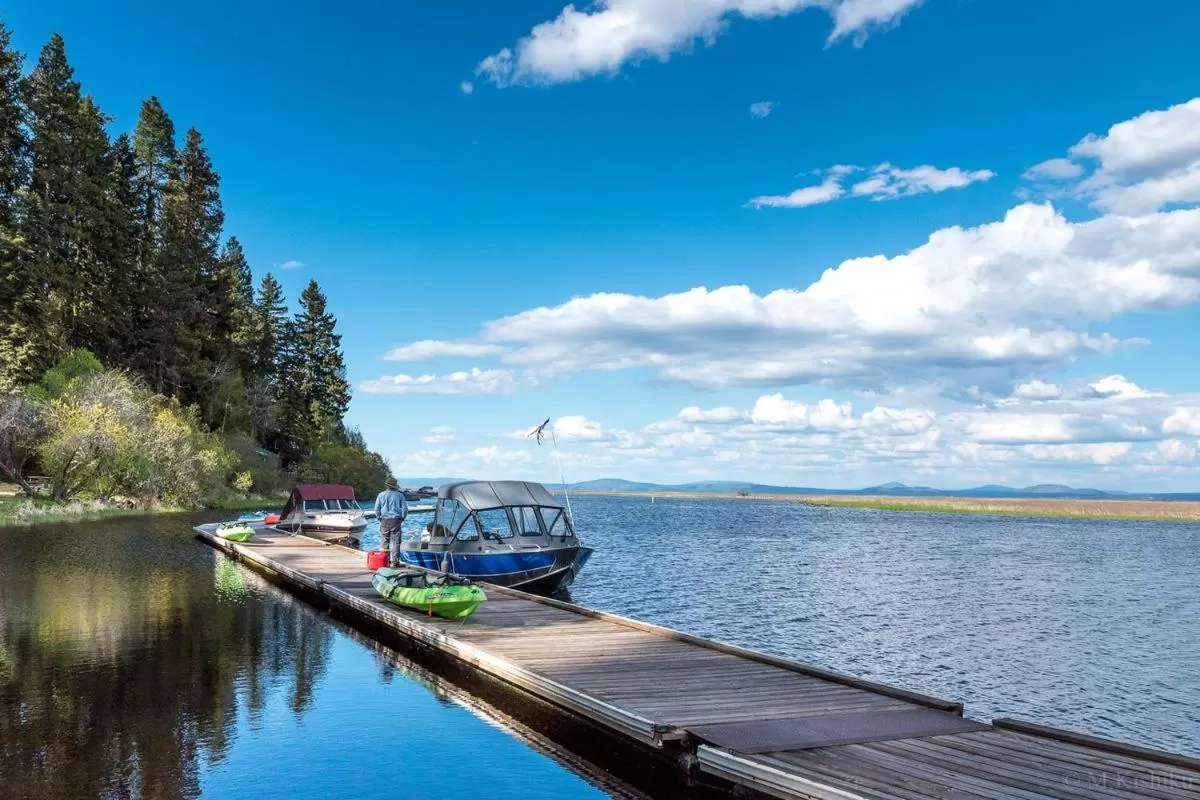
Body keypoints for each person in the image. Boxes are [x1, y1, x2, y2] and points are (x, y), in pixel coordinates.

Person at [374, 478, 408, 567]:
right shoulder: (400, 495)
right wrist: (402, 518)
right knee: (396, 542)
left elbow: (376, 509)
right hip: (396, 520)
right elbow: (405, 509)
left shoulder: (381, 495)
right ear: (395, 486)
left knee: (384, 541)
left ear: (387, 485)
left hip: (384, 520)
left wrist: (379, 518)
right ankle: (395, 562)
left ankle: (385, 561)